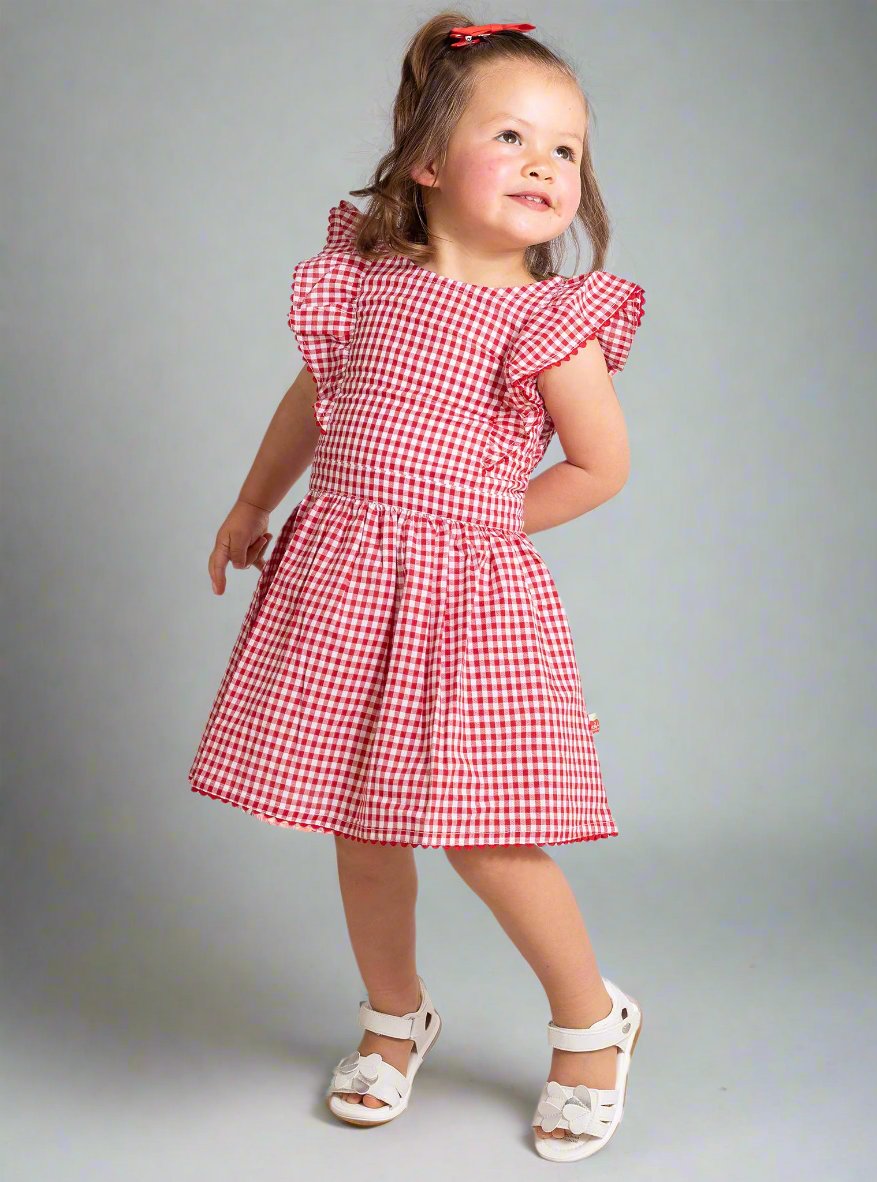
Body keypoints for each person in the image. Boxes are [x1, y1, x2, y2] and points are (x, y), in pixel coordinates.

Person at [188, 11, 646, 1163]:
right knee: (356, 820)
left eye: (567, 149)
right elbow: (312, 405)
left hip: (460, 602)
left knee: (485, 834)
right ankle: (392, 1018)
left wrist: (483, 523)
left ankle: (590, 1022)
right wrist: (253, 502)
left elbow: (599, 467)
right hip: (340, 582)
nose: (547, 165)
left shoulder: (550, 318)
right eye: (513, 136)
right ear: (428, 163)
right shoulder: (364, 283)